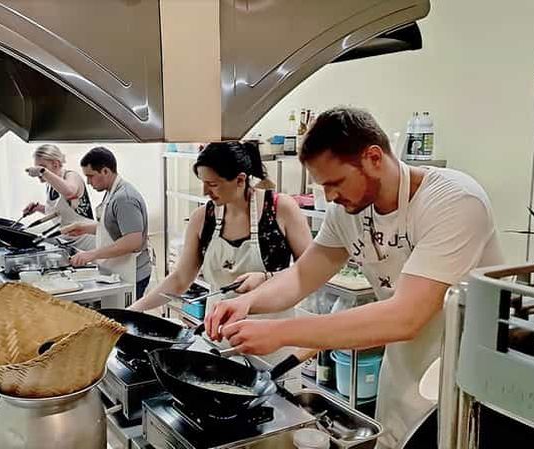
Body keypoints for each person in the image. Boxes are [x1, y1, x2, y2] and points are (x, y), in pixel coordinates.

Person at [205, 107, 503, 448]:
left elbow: (406, 316)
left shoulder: (453, 200)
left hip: (463, 380)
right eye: (323, 186)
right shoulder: (347, 212)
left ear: (373, 158)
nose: (329, 196)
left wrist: (279, 332)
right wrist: (247, 302)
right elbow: (302, 275)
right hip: (402, 369)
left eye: (335, 183)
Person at [129, 141, 312, 313]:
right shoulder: (202, 218)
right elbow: (180, 279)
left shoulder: (280, 209)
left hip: (271, 327)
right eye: (203, 183)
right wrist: (132, 311)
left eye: (213, 184)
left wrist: (267, 278)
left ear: (240, 180)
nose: (205, 192)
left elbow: (310, 271)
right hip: (219, 327)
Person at [63, 147, 153, 298]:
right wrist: (84, 228)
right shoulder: (112, 192)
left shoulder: (124, 199)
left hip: (132, 273)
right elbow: (114, 227)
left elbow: (132, 241)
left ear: (105, 171)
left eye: (90, 176)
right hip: (119, 270)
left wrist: (91, 254)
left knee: (126, 313)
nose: (88, 182)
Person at [22, 144, 95, 251]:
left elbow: (70, 192)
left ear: (55, 164)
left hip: (87, 241)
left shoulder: (71, 176)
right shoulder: (50, 185)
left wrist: (43, 172)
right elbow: (60, 214)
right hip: (69, 240)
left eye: (41, 167)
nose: (38, 172)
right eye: (37, 167)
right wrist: (38, 208)